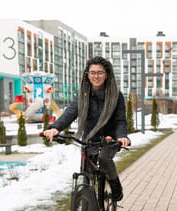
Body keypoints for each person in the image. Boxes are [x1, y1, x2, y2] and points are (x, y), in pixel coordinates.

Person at [44, 56, 130, 201]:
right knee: (86, 169)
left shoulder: (116, 95)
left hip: (110, 137)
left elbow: (120, 120)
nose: (96, 76)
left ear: (107, 74)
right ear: (87, 74)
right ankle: (87, 205)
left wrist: (122, 136)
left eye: (100, 72)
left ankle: (115, 183)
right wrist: (55, 128)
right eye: (92, 72)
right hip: (90, 138)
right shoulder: (83, 95)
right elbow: (70, 112)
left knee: (103, 159)